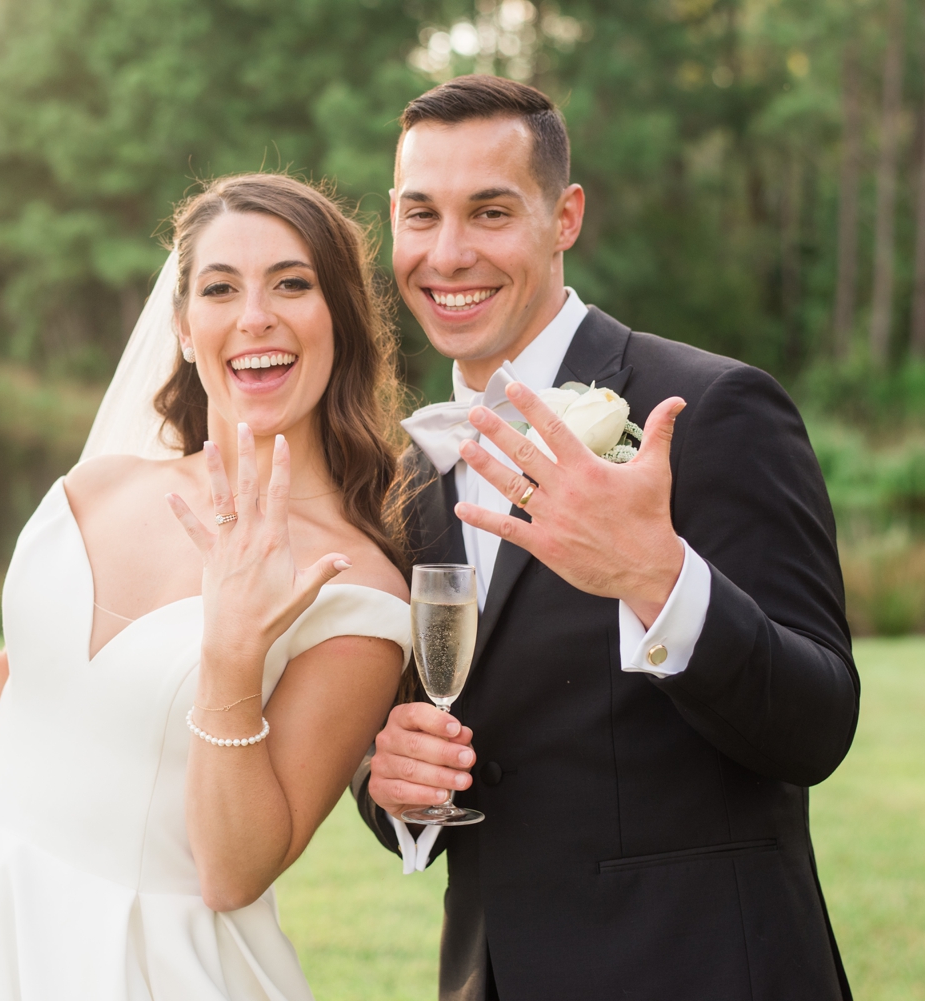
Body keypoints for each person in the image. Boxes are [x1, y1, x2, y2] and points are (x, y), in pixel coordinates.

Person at [0, 173, 413, 1000]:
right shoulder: (98, 486)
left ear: (341, 320)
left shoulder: (356, 591)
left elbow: (232, 871)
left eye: (292, 283)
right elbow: (45, 725)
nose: (255, 317)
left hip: (137, 967)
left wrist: (232, 652)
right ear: (182, 325)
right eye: (220, 288)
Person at [353, 76, 860, 1000]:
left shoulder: (711, 409)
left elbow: (819, 724)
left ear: (565, 217)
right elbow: (437, 744)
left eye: (491, 212)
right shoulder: (408, 470)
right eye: (421, 215)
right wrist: (392, 784)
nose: (449, 253)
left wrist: (657, 577)